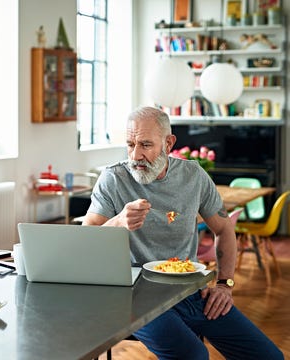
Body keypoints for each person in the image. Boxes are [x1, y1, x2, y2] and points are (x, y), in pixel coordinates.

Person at [82, 106, 283, 360]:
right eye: (130, 144)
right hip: (133, 299)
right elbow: (86, 237)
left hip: (190, 292)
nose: (136, 155)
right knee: (193, 355)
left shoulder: (193, 175)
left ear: (168, 143)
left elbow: (223, 228)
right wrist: (119, 221)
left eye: (145, 145)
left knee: (269, 357)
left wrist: (224, 284)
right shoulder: (113, 178)